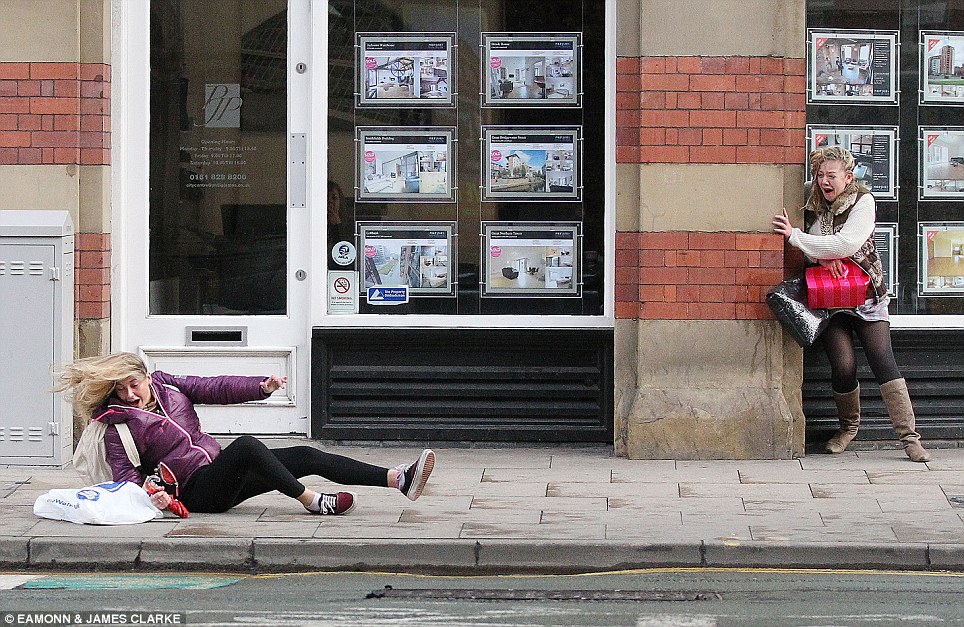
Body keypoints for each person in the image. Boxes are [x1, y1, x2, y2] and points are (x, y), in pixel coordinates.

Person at [56, 353, 436, 514]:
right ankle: (312, 500)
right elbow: (125, 480)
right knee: (248, 445)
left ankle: (398, 479)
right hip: (195, 491)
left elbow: (216, 387)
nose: (130, 394)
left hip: (219, 470)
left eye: (133, 384)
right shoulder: (116, 426)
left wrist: (261, 387)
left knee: (306, 455)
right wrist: (152, 494)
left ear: (145, 375)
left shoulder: (168, 386)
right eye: (120, 390)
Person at [772, 146, 930, 462]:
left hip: (866, 293)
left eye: (831, 175)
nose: (824, 181)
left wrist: (797, 238)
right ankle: (848, 429)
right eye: (819, 175)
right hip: (830, 296)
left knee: (883, 359)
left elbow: (847, 242)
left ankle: (910, 439)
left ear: (848, 176)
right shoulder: (810, 200)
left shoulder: (863, 201)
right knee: (843, 365)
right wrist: (820, 255)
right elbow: (818, 248)